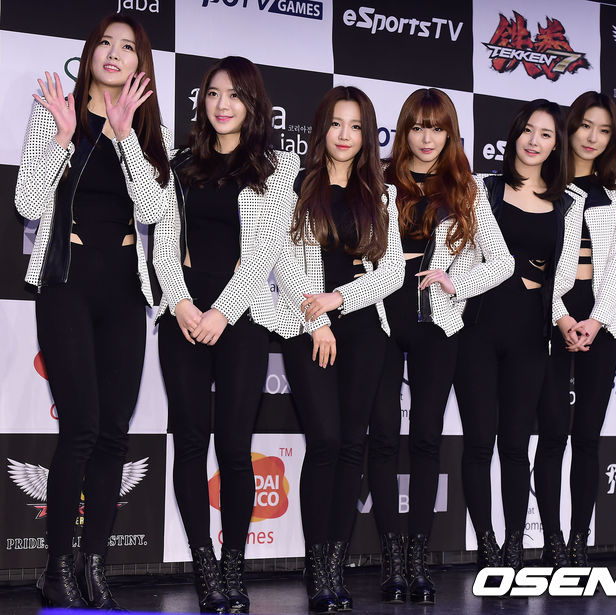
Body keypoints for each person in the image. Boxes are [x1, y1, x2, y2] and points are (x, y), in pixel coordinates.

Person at [14, 13, 171, 610]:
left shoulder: (149, 132)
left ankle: (94, 565)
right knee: (80, 428)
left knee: (112, 434)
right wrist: (62, 139)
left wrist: (125, 137)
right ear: (90, 54)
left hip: (125, 292)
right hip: (68, 284)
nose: (113, 52)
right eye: (105, 42)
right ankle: (56, 567)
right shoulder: (56, 113)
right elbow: (28, 203)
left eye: (127, 46)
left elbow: (154, 212)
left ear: (140, 64)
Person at [153, 56, 299, 614]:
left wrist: (223, 312)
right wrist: (182, 303)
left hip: (243, 317)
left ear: (253, 104)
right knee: (190, 441)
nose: (222, 104)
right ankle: (205, 566)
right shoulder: (179, 163)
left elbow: (266, 250)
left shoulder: (277, 168)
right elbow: (164, 242)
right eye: (213, 93)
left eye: (235, 94)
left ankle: (233, 563)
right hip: (183, 315)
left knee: (235, 447)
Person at [366, 88, 513, 604]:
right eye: (417, 127)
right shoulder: (378, 178)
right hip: (380, 316)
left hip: (439, 323)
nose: (427, 138)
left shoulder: (465, 188)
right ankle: (391, 562)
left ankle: (417, 560)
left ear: (450, 134)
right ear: (404, 130)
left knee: (427, 438)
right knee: (384, 438)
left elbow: (503, 262)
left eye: (437, 128)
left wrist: (457, 282)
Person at [274, 85, 405, 612]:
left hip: (365, 327)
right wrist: (320, 317)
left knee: (352, 445)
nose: (345, 135)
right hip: (308, 325)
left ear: (367, 134)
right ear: (321, 129)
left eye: (355, 126)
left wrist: (341, 299)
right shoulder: (293, 180)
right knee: (325, 441)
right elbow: (277, 256)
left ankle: (334, 566)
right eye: (336, 123)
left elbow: (392, 273)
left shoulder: (381, 193)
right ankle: (315, 564)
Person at [454, 99, 585, 576]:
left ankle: (514, 546)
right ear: (514, 134)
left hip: (531, 332)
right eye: (528, 130)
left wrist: (560, 315)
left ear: (556, 145)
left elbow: (561, 276)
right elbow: (466, 255)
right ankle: (487, 545)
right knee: (477, 443)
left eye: (546, 134)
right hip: (478, 327)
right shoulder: (483, 188)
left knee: (515, 444)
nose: (534, 141)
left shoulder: (569, 202)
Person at [534, 92, 616, 568]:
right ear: (570, 127)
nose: (593, 137)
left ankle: (578, 541)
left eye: (604, 130)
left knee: (588, 437)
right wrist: (561, 317)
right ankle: (552, 540)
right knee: (553, 433)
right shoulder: (544, 181)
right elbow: (536, 262)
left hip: (602, 318)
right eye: (585, 126)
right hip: (551, 317)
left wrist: (596, 319)